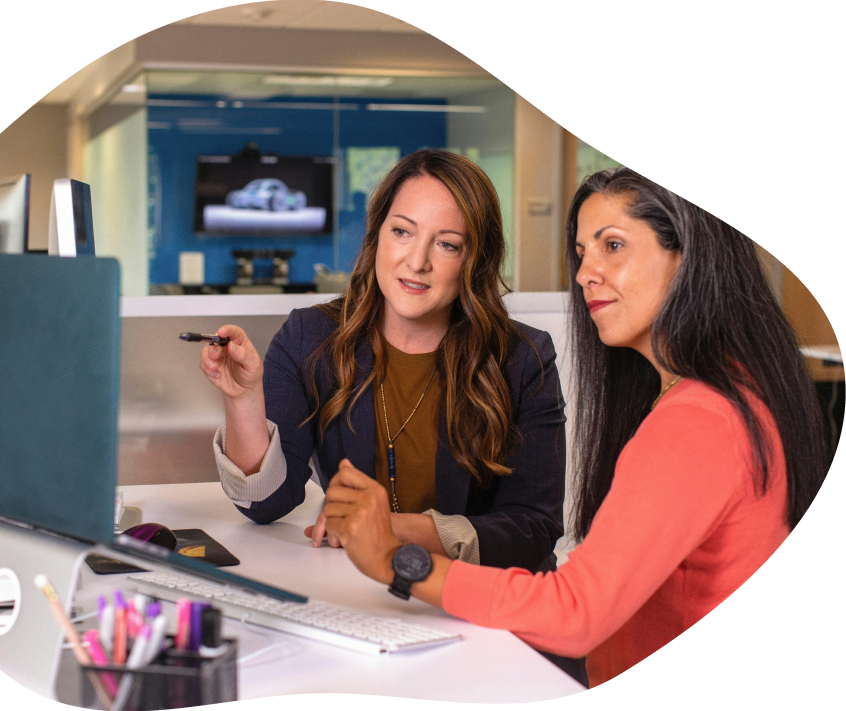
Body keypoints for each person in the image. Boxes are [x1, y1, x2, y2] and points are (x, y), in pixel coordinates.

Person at [320, 167, 829, 687]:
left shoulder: (699, 419)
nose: (586, 272)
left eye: (613, 246)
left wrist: (395, 561)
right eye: (583, 252)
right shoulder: (740, 390)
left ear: (688, 258)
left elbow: (576, 614)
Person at [200, 150, 581, 677]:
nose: (416, 261)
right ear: (378, 234)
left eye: (446, 245)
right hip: (370, 611)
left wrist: (392, 533)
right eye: (403, 232)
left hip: (492, 616)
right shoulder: (311, 337)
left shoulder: (522, 356)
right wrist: (242, 398)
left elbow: (534, 529)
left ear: (475, 259)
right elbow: (266, 504)